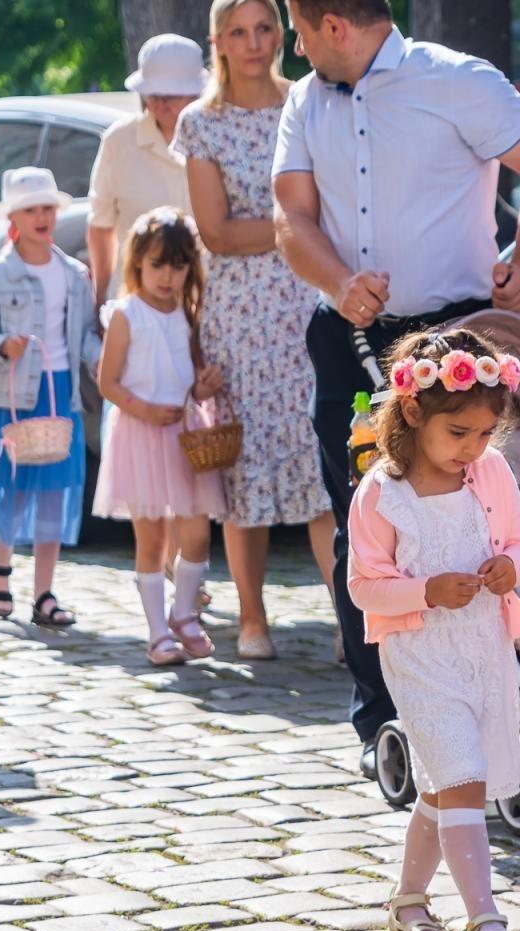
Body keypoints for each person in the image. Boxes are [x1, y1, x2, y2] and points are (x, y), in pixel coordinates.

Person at [274, 0, 520, 777]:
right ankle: (384, 718)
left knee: (481, 518)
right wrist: (339, 282)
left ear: (332, 25)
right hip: (350, 340)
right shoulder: (305, 103)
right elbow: (290, 219)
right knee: (362, 528)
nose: (294, 49)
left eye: (298, 32)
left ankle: (499, 695)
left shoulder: (457, 81)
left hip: (454, 344)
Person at [346, 327, 520, 931]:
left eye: (485, 434)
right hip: (418, 655)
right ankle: (486, 921)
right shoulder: (381, 494)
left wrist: (512, 565)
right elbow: (364, 586)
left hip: (484, 649)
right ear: (416, 412)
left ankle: (407, 904)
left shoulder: (492, 473)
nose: (473, 449)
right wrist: (424, 590)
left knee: (444, 785)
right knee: (462, 778)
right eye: (460, 433)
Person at [174, 0, 335, 661]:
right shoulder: (199, 122)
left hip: (310, 299)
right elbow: (214, 231)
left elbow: (328, 201)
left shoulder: (308, 101)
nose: (254, 42)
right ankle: (251, 617)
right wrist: (293, 225)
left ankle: (350, 621)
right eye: (238, 32)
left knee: (325, 463)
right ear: (217, 41)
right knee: (247, 471)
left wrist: (291, 229)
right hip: (240, 315)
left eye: (265, 27)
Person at [0, 168, 101, 627]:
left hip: (59, 393)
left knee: (54, 492)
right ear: (14, 217)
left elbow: (86, 335)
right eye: (31, 209)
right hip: (13, 393)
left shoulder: (75, 275)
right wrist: (0, 346)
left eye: (47, 209)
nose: (41, 217)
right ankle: (1, 564)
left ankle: (45, 594)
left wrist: (110, 356)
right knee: (12, 487)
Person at [92, 207, 227, 666]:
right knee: (150, 541)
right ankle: (156, 632)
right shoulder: (127, 315)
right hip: (140, 435)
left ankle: (183, 613)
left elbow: (183, 377)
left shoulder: (187, 316)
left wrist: (201, 388)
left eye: (177, 265)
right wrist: (145, 409)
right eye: (157, 265)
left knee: (196, 536)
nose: (167, 276)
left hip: (183, 437)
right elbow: (108, 382)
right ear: (137, 265)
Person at [87, 34, 206, 310]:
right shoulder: (119, 141)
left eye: (172, 95)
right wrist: (100, 296)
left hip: (206, 303)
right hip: (139, 306)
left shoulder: (220, 137)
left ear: (197, 92)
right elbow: (101, 225)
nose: (162, 104)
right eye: (153, 95)